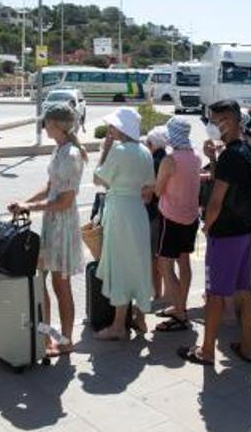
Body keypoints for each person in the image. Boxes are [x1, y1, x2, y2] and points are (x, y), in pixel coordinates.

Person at [180, 100, 251, 366]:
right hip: (244, 231)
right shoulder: (245, 150)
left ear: (229, 120)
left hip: (225, 233)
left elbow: (216, 200)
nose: (211, 125)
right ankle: (248, 347)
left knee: (215, 295)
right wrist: (213, 159)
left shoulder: (231, 155)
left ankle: (206, 350)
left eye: (214, 120)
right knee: (244, 291)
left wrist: (207, 225)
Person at [8, 105, 86, 355]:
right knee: (42, 282)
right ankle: (47, 336)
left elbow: (64, 200)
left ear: (58, 125)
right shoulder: (60, 150)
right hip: (52, 223)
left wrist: (29, 205)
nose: (44, 126)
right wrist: (24, 203)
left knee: (60, 285)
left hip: (62, 225)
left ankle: (65, 341)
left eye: (47, 122)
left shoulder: (71, 154)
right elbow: (50, 186)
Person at [92, 107, 155, 340]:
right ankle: (140, 316)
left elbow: (98, 178)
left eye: (113, 126)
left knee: (120, 264)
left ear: (121, 129)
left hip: (119, 210)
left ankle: (118, 326)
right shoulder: (145, 151)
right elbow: (150, 185)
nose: (110, 130)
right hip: (137, 211)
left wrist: (105, 152)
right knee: (138, 262)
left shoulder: (117, 151)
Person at [153, 117, 201, 332]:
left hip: (171, 216)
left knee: (164, 264)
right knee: (184, 262)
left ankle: (180, 312)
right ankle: (180, 307)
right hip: (190, 217)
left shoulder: (169, 160)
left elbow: (158, 190)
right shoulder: (196, 157)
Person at [144, 126, 170, 303]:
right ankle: (166, 292)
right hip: (167, 212)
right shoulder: (168, 159)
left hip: (153, 212)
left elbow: (150, 193)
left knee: (154, 256)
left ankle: (158, 293)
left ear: (152, 143)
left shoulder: (153, 162)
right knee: (165, 255)